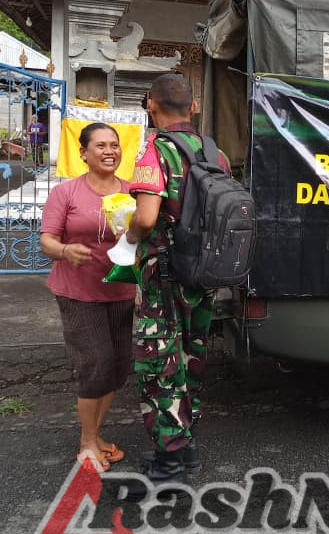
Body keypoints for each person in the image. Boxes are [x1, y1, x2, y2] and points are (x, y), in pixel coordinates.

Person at [127, 73, 230, 488]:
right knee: (191, 357)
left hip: (164, 274)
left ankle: (168, 465)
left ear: (150, 104)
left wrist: (128, 236)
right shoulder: (214, 152)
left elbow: (147, 217)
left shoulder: (156, 150)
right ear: (193, 107)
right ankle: (186, 445)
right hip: (205, 274)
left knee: (159, 363)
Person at [39, 122, 137, 470]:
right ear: (83, 153)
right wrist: (65, 251)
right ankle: (87, 442)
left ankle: (95, 435)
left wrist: (136, 235)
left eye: (114, 145)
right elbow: (47, 239)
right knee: (95, 364)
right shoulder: (65, 193)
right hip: (77, 292)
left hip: (120, 290)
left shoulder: (130, 193)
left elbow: (143, 241)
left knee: (118, 367)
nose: (110, 151)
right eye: (101, 145)